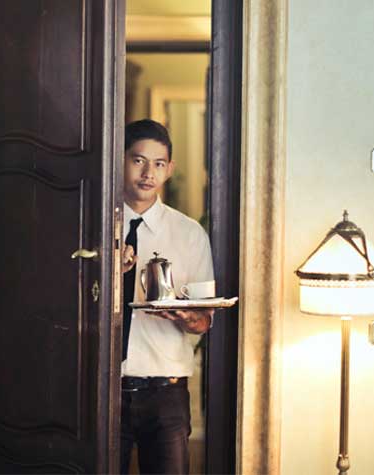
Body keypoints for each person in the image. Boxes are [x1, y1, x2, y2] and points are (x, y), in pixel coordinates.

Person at [120, 119, 214, 475]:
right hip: (101, 388)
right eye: (138, 160)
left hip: (166, 395)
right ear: (120, 160)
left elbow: (204, 321)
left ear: (170, 170)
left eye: (158, 164)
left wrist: (184, 315)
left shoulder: (189, 234)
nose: (148, 173)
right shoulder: (92, 224)